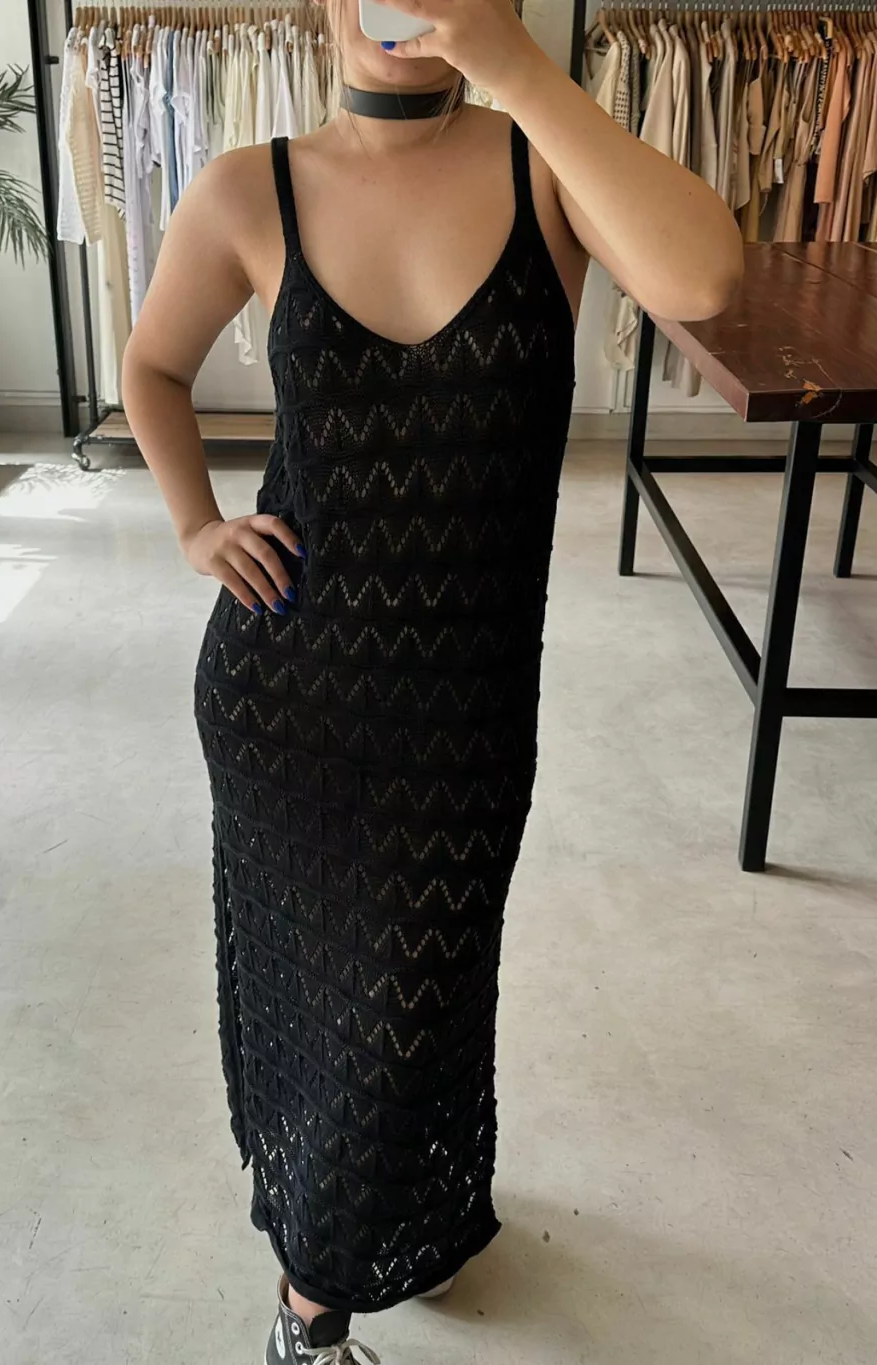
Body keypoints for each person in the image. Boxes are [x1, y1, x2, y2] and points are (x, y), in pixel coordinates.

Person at [123, 2, 743, 1360]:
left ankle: (392, 1214)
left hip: (464, 713)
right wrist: (196, 525)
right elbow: (152, 367)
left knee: (420, 1000)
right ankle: (311, 1316)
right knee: (330, 999)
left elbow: (704, 281)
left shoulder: (544, 169)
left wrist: (514, 67)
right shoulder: (249, 189)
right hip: (286, 693)